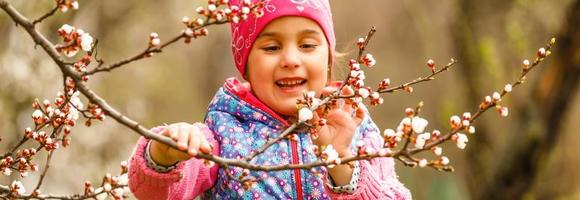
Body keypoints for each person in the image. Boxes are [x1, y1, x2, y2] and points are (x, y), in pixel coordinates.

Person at [128, 0, 412, 199]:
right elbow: (158, 193)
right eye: (272, 47)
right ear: (246, 65)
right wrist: (164, 154)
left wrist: (340, 162)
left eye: (308, 45)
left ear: (327, 56)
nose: (290, 59)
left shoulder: (355, 128)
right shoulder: (223, 132)